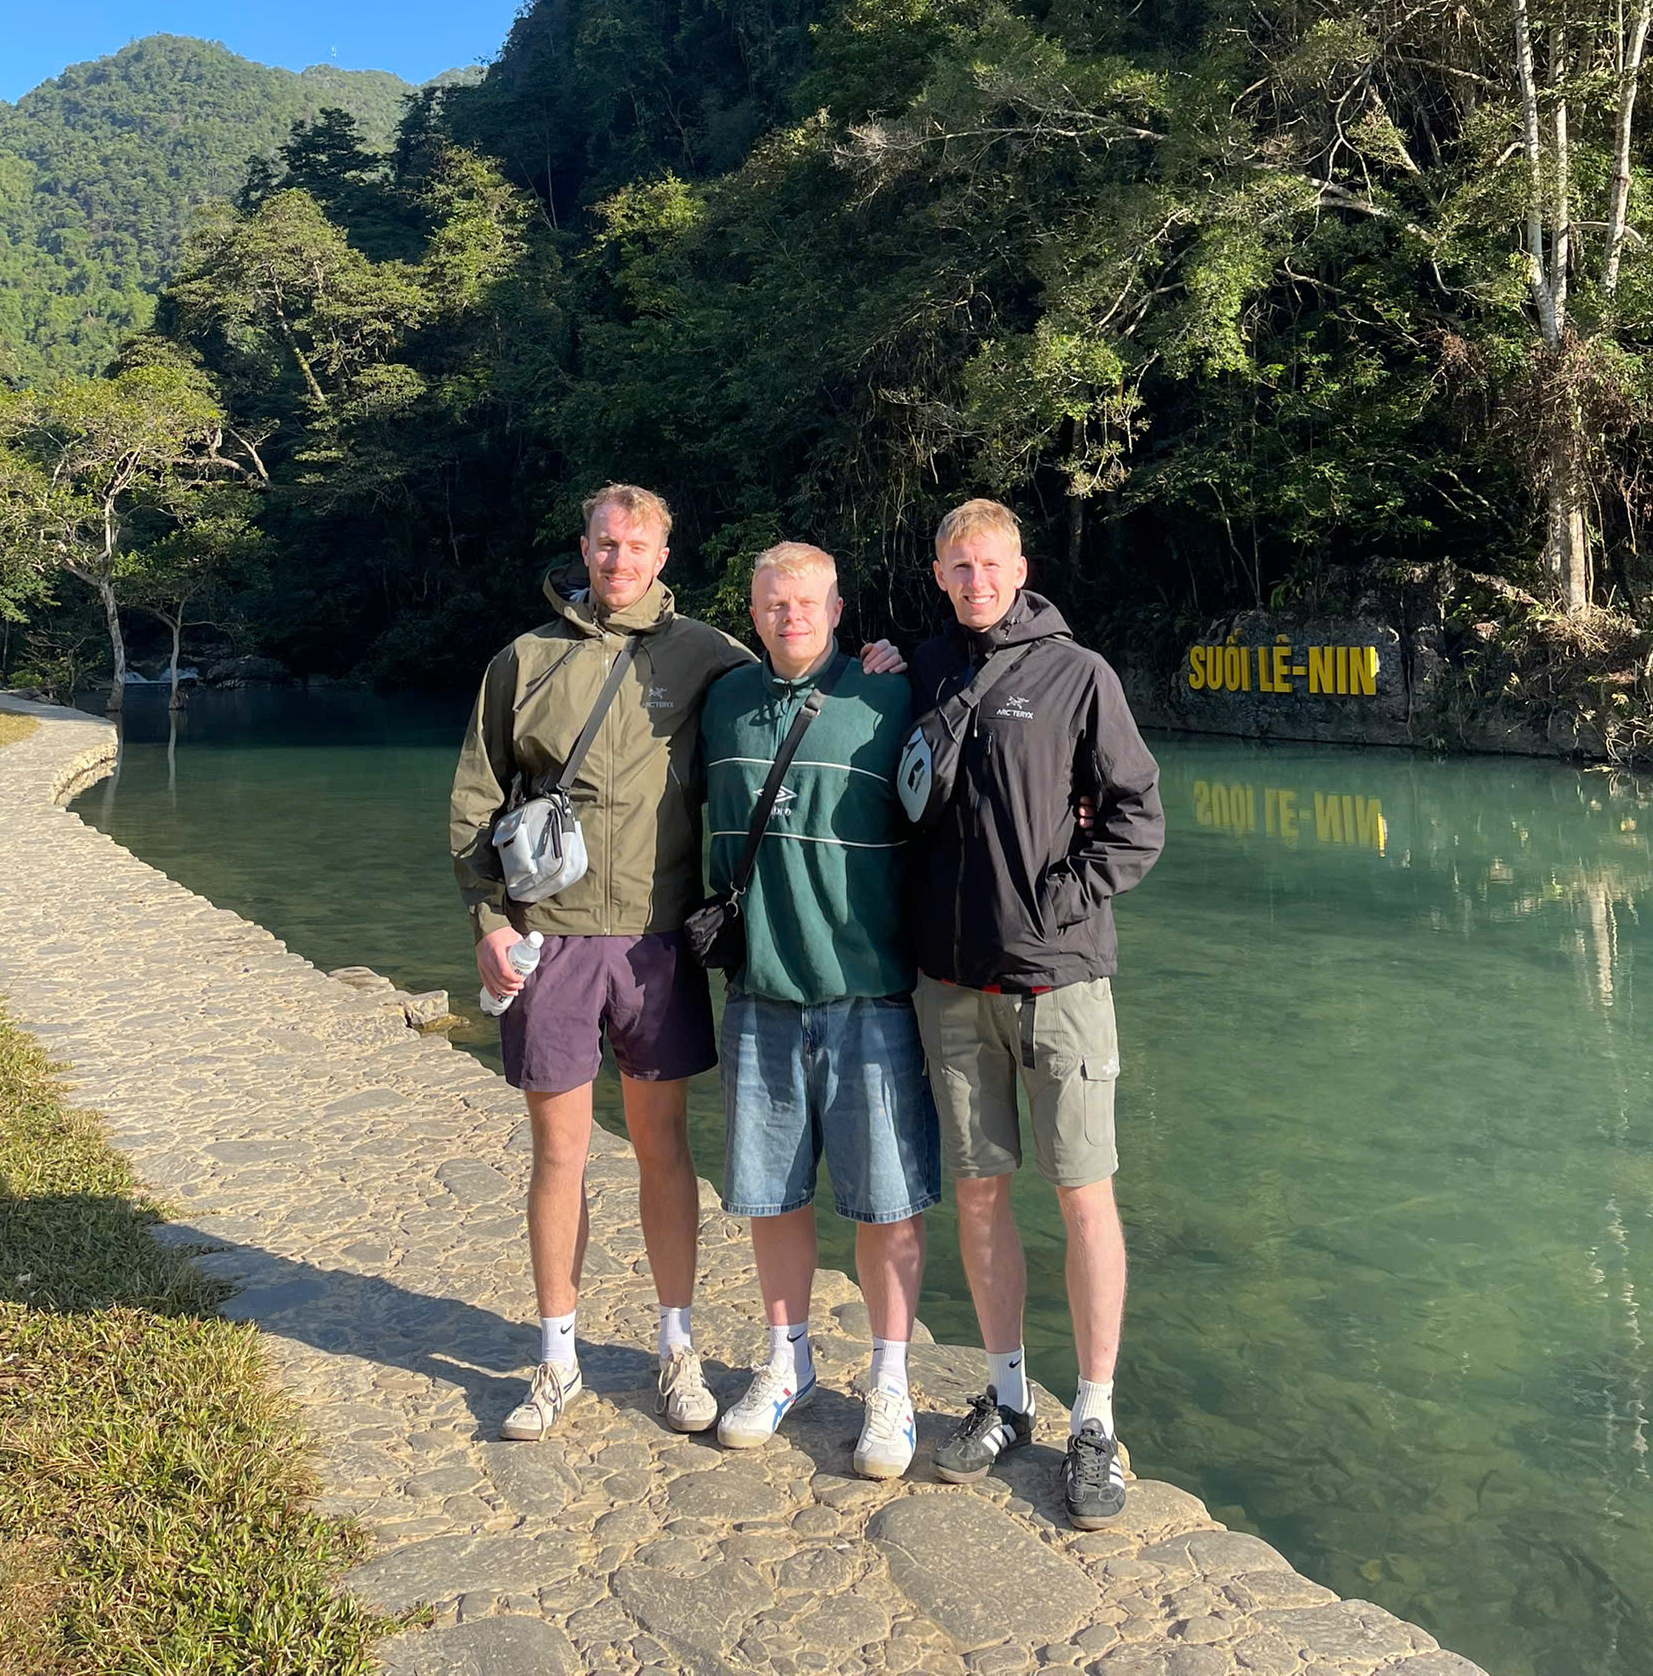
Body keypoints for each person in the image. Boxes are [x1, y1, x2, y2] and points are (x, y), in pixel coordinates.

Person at [449, 484, 900, 1446]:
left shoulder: (706, 655)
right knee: (559, 1154)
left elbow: (794, 678)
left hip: (658, 944)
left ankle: (676, 1347)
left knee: (665, 1152)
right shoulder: (524, 659)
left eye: (638, 545)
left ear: (663, 554)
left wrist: (872, 667)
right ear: (584, 547)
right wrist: (489, 920)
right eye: (606, 544)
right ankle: (556, 1356)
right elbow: (474, 799)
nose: (619, 560)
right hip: (553, 936)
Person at [905, 498, 1164, 1529]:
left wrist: (1051, 905)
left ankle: (1094, 1419)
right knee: (977, 1195)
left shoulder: (1079, 674)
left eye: (990, 563)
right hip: (954, 989)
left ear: (1021, 566)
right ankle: (1007, 1395)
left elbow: (1137, 820)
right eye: (957, 565)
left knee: (1084, 1196)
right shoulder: (922, 670)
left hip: (1060, 986)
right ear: (938, 574)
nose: (975, 579)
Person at [702, 542, 936, 1480]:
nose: (789, 615)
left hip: (868, 992)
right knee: (774, 1194)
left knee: (886, 1203)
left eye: (805, 601)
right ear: (751, 611)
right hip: (759, 990)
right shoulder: (721, 701)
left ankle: (891, 1381)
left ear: (840, 608)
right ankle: (786, 1359)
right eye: (771, 603)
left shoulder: (890, 697)